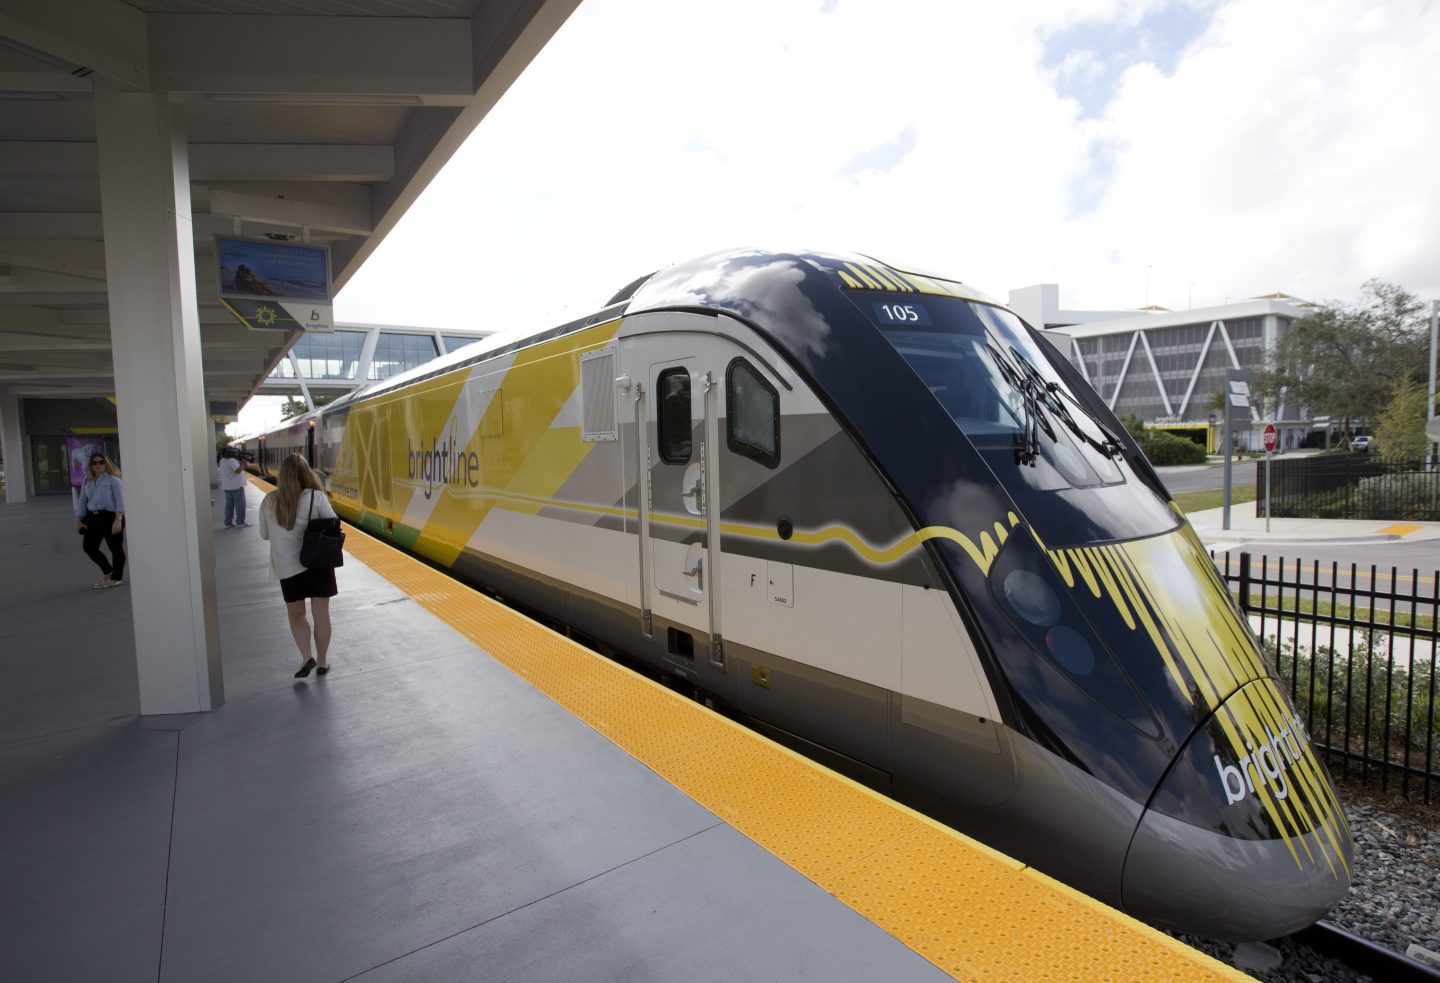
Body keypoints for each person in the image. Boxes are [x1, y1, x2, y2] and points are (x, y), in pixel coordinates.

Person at [258, 454, 338, 678]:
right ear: (307, 473)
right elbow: (333, 524)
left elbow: (264, 535)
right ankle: (322, 662)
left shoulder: (269, 501)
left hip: (287, 567)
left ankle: (306, 657)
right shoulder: (316, 497)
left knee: (296, 614)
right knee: (321, 614)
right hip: (317, 564)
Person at [74, 453, 126, 589]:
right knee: (89, 547)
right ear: (90, 465)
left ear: (106, 464)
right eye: (95, 463)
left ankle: (116, 578)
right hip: (93, 518)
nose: (98, 465)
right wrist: (78, 520)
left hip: (110, 517)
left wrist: (118, 519)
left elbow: (121, 501)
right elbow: (82, 501)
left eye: (101, 462)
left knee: (115, 548)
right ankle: (108, 570)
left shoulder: (113, 480)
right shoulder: (88, 480)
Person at [218, 449, 249, 527]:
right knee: (240, 505)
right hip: (236, 486)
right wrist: (243, 463)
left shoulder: (222, 460)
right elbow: (238, 470)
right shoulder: (231, 460)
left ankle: (228, 523)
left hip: (227, 486)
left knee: (229, 505)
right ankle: (240, 522)